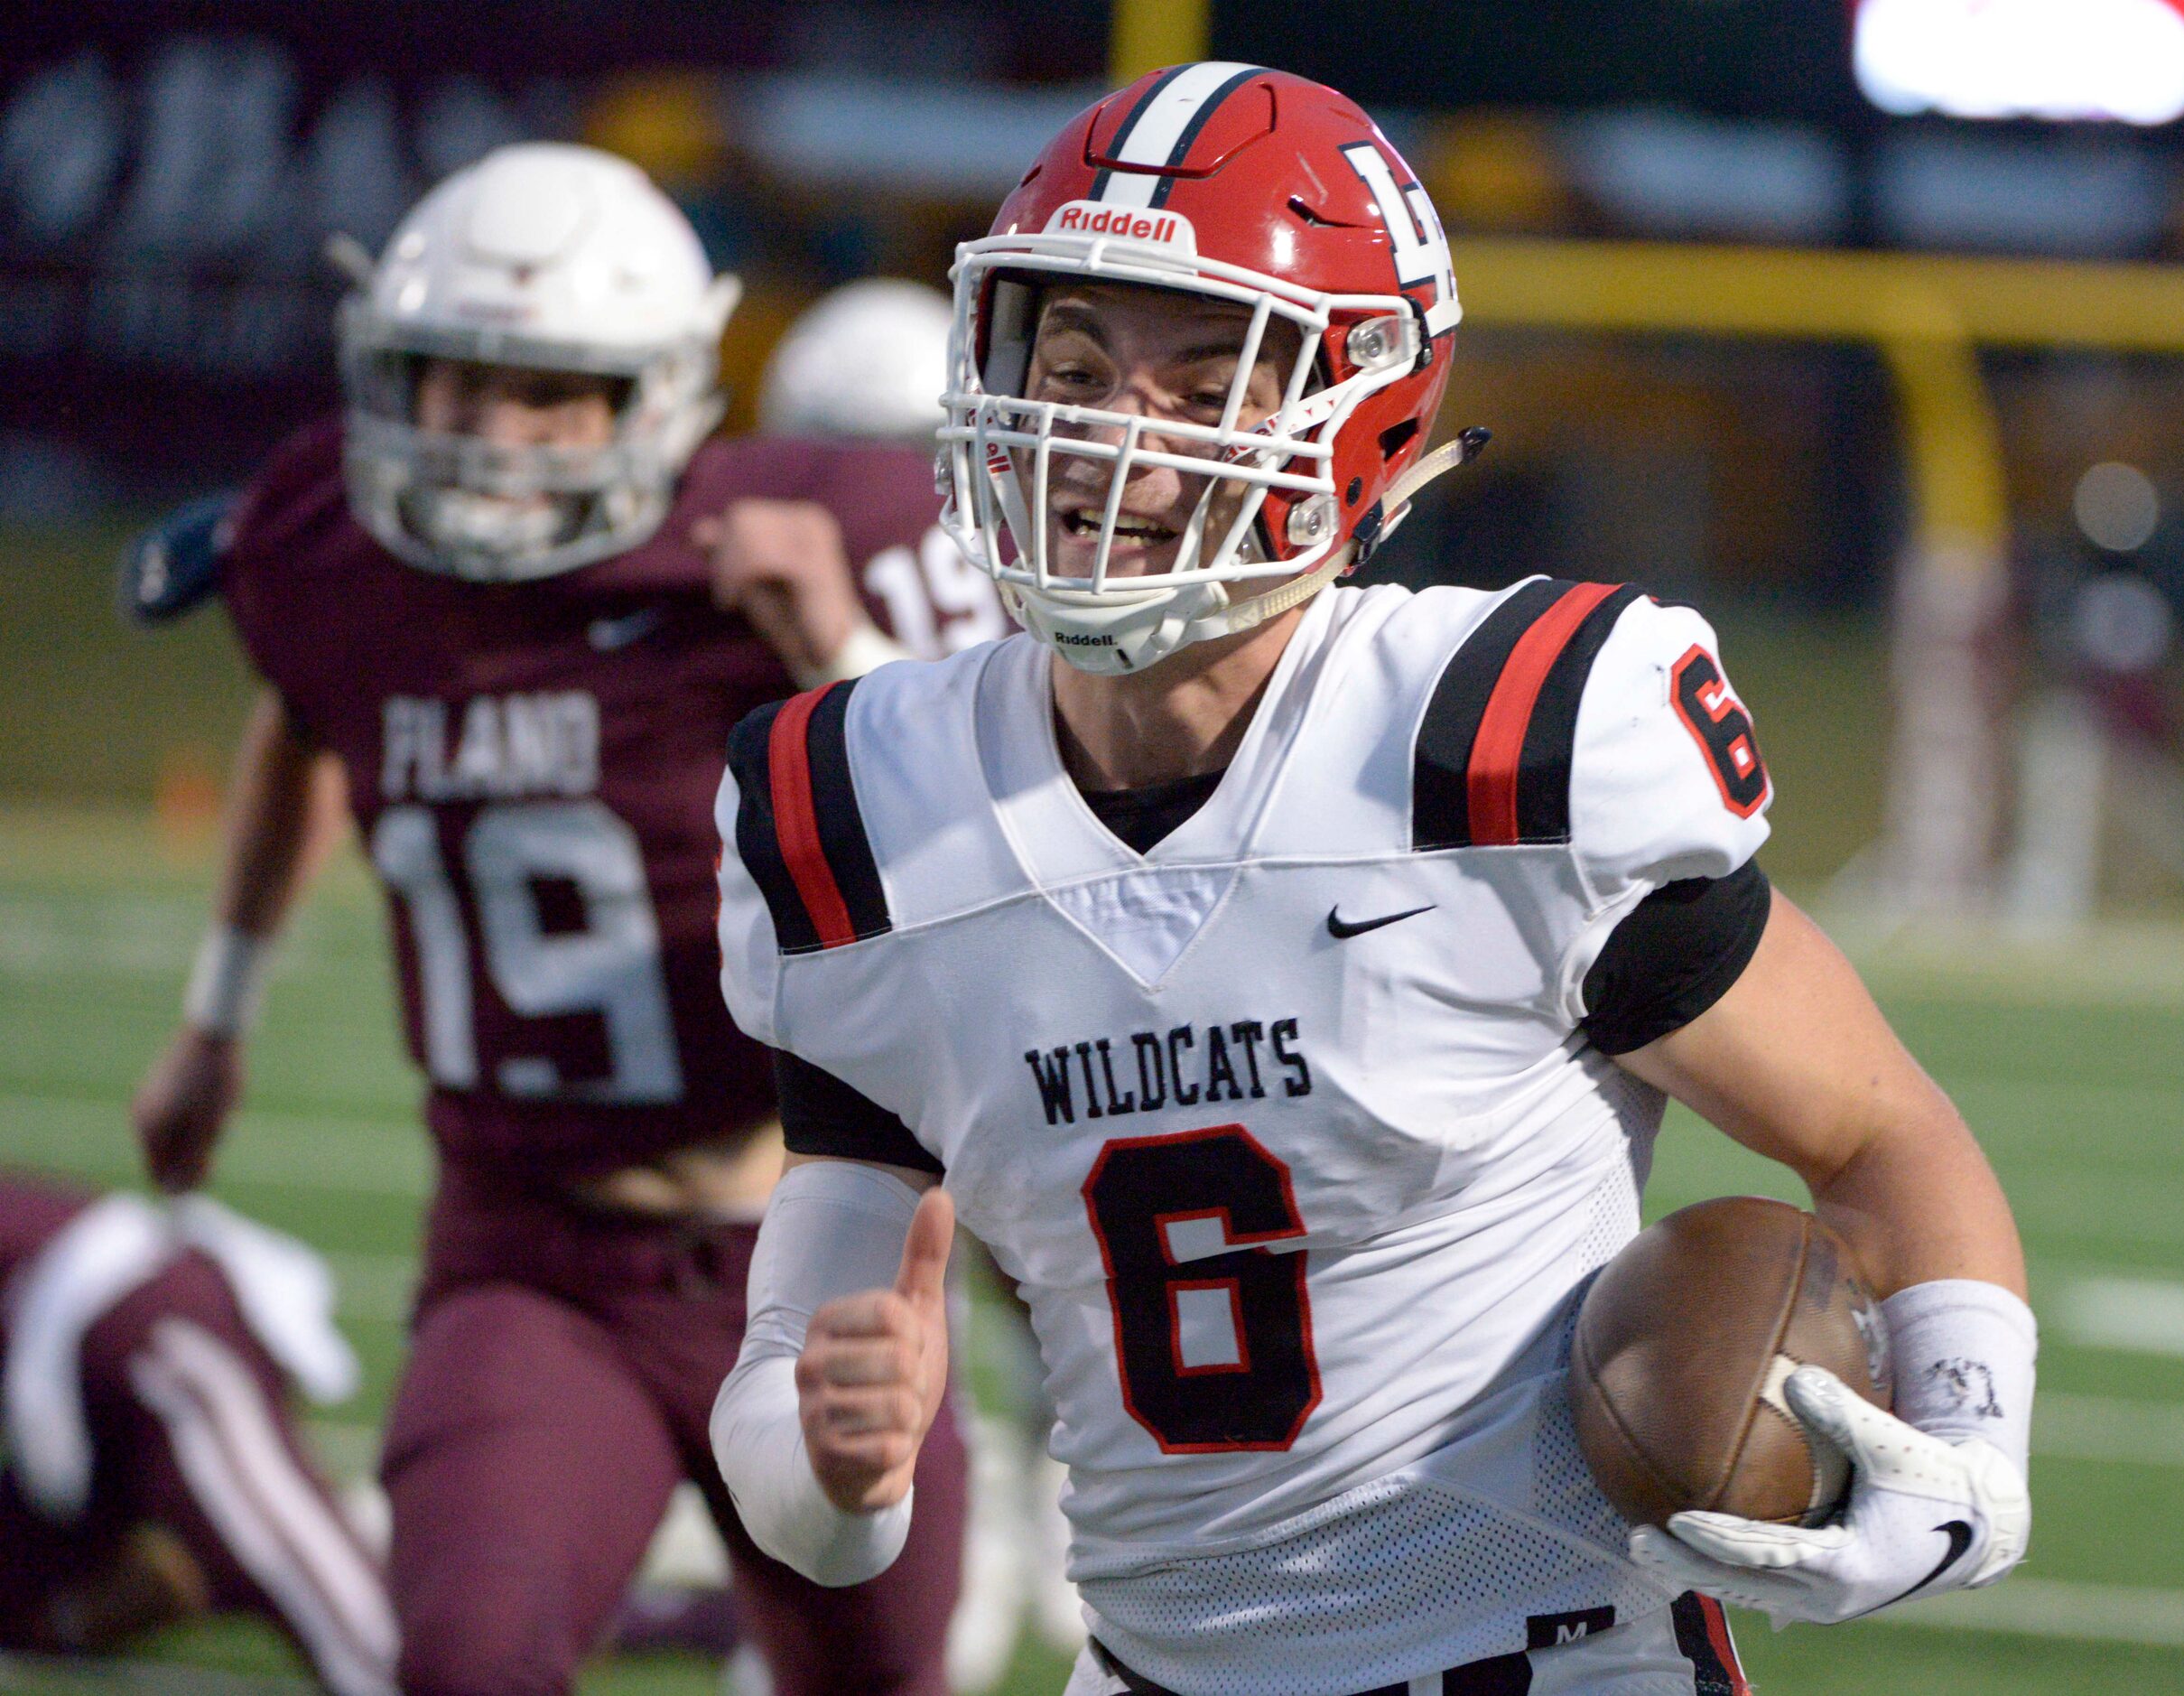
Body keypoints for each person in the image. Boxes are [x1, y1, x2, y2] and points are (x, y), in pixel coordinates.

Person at [708, 64, 2036, 1696]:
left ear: (1363, 413)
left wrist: (1969, 1440)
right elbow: (795, 1430)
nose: (1107, 430)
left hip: (1548, 1666)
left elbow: (1872, 1125)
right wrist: (841, 1458)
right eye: (1069, 362)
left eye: (1204, 385)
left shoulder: (1496, 744)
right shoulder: (857, 806)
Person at [130, 142, 970, 1696]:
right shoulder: (332, 549)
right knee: (467, 1657)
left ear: (649, 400)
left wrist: (835, 645)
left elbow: (987, 872)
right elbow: (300, 715)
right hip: (531, 1248)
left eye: (546, 393)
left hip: (817, 1236)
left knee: (878, 1680)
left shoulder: (794, 544)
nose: (488, 436)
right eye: (451, 380)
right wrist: (216, 1013)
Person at [0, 1169, 394, 1692]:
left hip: (138, 1319)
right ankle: (203, 1556)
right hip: (65, 1389)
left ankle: (358, 1534)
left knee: (349, 1628)